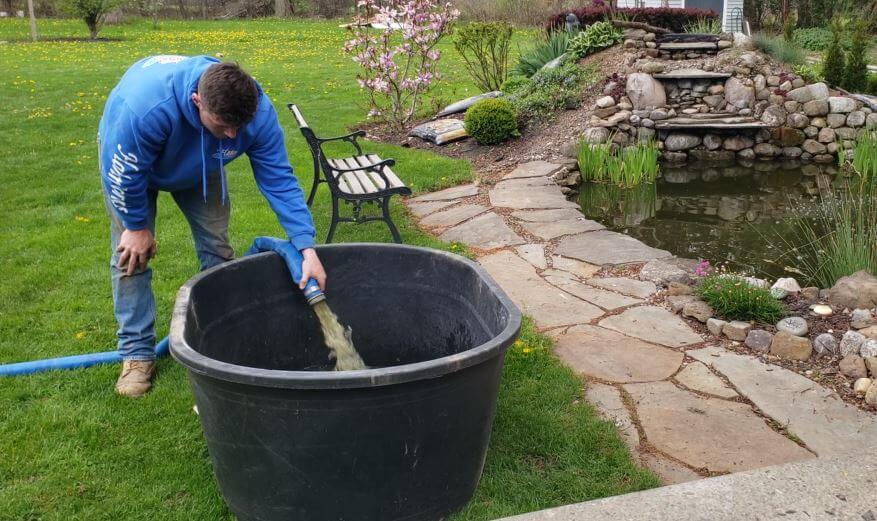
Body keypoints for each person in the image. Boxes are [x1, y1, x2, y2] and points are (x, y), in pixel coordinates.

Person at [98, 55, 325, 398]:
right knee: (132, 257)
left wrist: (307, 247)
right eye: (223, 126)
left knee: (217, 248)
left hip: (203, 166)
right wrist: (136, 226)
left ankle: (222, 335)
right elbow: (122, 174)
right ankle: (137, 354)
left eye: (239, 126)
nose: (233, 135)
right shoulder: (145, 109)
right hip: (129, 165)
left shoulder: (256, 113)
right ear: (197, 102)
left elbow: (279, 180)